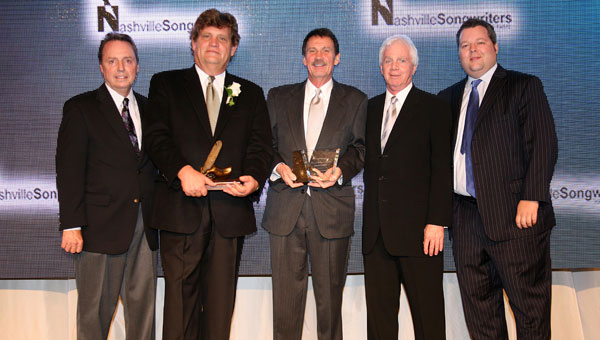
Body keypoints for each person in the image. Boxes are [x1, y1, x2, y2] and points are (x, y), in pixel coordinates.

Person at [143, 8, 273, 340]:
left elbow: (261, 148)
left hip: (229, 215)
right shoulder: (166, 84)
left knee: (219, 312)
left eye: (222, 39)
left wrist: (255, 179)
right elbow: (156, 138)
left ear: (233, 48)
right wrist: (182, 171)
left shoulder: (251, 93)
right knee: (179, 310)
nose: (214, 44)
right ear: (193, 43)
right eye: (207, 37)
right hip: (180, 212)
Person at [438, 18, 558, 339]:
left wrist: (532, 197)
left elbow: (543, 144)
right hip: (464, 220)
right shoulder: (446, 99)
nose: (472, 50)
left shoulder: (523, 86)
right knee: (481, 317)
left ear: (495, 47)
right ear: (459, 54)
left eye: (479, 43)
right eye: (465, 46)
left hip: (516, 219)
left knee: (530, 313)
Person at [262, 27, 367, 340]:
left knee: (330, 304)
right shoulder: (278, 97)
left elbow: (361, 148)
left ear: (337, 58)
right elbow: (262, 146)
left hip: (331, 212)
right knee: (285, 305)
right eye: (312, 51)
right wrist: (280, 167)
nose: (318, 57)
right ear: (303, 59)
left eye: (325, 51)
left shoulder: (356, 100)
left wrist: (340, 171)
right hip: (285, 212)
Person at [56, 33, 158, 340]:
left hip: (145, 227)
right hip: (97, 229)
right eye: (112, 60)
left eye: (127, 60)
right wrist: (71, 224)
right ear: (101, 67)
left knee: (143, 312)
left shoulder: (151, 109)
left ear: (137, 66)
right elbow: (68, 169)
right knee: (94, 314)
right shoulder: (81, 108)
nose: (121, 67)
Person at [362, 35, 452, 340]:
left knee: (428, 320)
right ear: (380, 67)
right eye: (388, 60)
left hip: (420, 236)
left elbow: (442, 169)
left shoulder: (434, 107)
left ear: (413, 66)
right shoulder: (369, 109)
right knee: (380, 324)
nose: (394, 66)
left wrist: (436, 221)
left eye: (401, 60)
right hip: (376, 236)